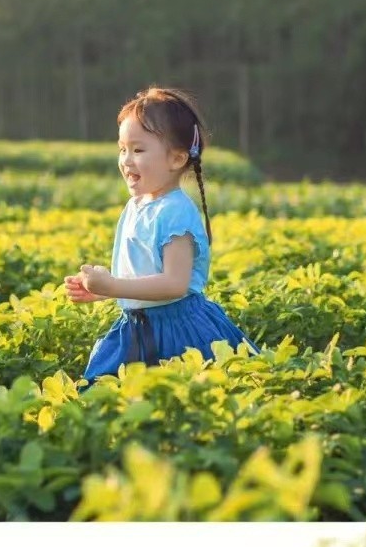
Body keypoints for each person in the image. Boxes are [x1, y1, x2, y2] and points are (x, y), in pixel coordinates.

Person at [65, 85, 259, 380]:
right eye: (122, 149)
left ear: (177, 159)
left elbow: (174, 284)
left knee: (177, 395)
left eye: (138, 150)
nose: (126, 160)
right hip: (139, 326)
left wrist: (113, 286)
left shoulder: (175, 212)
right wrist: (102, 291)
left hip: (176, 332)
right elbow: (144, 275)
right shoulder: (137, 205)